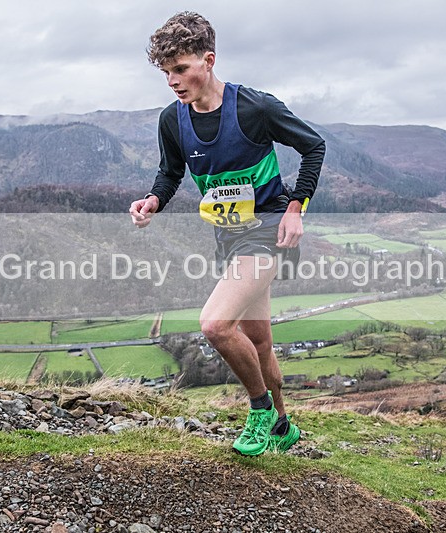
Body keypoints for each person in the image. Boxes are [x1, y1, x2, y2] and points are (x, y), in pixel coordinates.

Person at [129, 12, 325, 456]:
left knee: (216, 325)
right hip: (229, 238)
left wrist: (297, 207)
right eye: (166, 73)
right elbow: (170, 172)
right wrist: (152, 201)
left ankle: (257, 411)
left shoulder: (255, 108)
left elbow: (313, 145)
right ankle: (283, 424)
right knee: (258, 342)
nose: (173, 81)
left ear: (208, 60)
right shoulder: (172, 120)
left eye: (181, 69)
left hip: (269, 231)